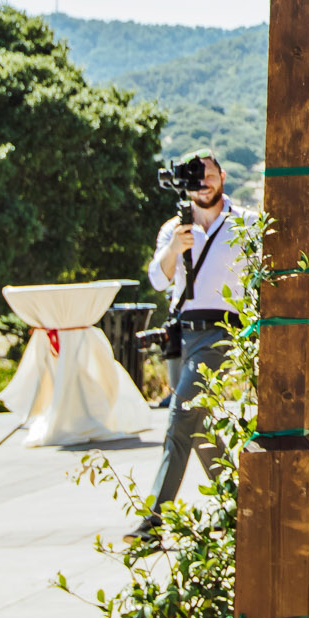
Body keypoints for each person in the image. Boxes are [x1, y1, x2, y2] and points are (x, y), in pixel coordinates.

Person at [128, 155, 252, 543]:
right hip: (183, 334)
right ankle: (238, 506)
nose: (203, 184)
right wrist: (174, 249)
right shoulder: (174, 228)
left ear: (222, 177)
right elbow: (157, 280)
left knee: (180, 417)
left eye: (210, 176)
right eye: (195, 178)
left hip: (223, 331)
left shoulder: (245, 222)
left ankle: (153, 519)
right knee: (198, 424)